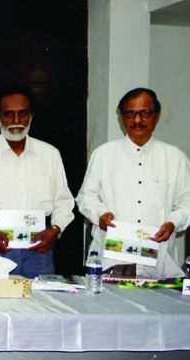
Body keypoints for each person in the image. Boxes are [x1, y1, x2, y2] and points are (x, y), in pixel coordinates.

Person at [0, 86, 74, 278]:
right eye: (8, 114)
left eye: (23, 114)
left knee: (41, 304)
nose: (16, 121)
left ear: (31, 116)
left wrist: (56, 230)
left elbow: (64, 201)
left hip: (40, 248)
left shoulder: (50, 155)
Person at [76, 88, 190, 279]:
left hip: (159, 262)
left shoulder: (174, 158)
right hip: (112, 261)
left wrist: (173, 222)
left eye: (145, 113)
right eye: (131, 113)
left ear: (157, 115)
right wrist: (100, 214)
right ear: (122, 117)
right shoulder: (104, 155)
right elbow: (85, 197)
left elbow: (187, 201)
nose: (137, 120)